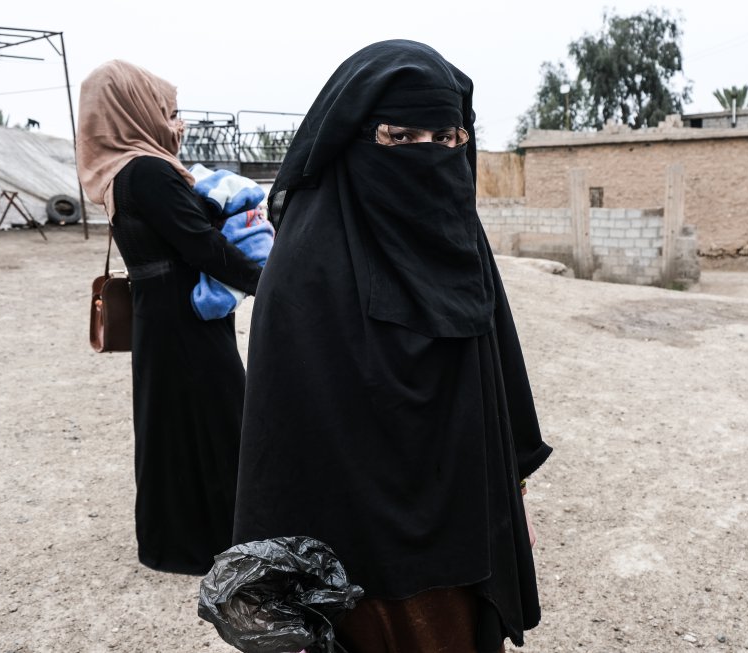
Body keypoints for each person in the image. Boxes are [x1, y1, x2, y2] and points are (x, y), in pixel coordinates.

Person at [232, 40, 553, 652]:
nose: (429, 156)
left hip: (463, 529)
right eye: (402, 139)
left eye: (448, 141)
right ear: (353, 138)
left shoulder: (460, 244)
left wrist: (512, 493)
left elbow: (498, 376)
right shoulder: (307, 261)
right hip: (360, 549)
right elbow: (284, 430)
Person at [76, 60, 262, 575]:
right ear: (134, 111)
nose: (176, 124)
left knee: (175, 426)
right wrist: (271, 283)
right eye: (169, 112)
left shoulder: (120, 170)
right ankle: (222, 540)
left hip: (160, 311)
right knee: (222, 417)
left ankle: (178, 541)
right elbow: (201, 246)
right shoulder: (149, 171)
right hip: (184, 316)